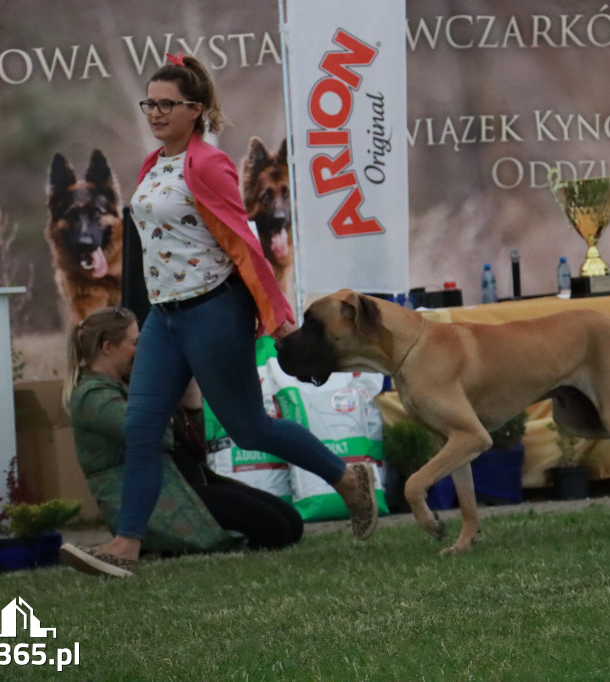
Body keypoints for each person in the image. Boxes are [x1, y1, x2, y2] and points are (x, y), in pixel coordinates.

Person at [61, 53, 377, 578]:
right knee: (141, 428)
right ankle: (126, 546)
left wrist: (278, 319)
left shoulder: (210, 163)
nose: (155, 113)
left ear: (196, 110)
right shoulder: (152, 165)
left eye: (167, 105)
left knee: (249, 427)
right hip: (165, 318)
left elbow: (243, 245)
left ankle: (347, 480)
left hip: (214, 313)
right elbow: (153, 248)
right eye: (150, 103)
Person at [59, 306, 306, 577]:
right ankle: (165, 544)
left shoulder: (128, 385)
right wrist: (163, 388)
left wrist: (189, 396)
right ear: (108, 347)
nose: (142, 350)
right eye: (136, 343)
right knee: (275, 530)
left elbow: (191, 443)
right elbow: (149, 434)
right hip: (164, 498)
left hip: (185, 483)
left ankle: (175, 546)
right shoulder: (92, 397)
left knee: (291, 523)